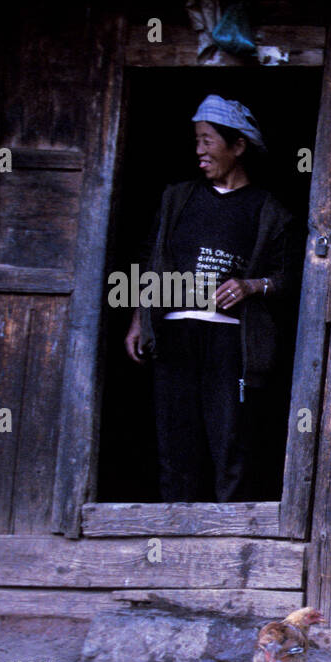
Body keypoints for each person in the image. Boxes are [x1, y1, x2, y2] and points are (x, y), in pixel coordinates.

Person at [124, 94, 295, 502]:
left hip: (228, 340)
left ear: (238, 147)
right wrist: (136, 320)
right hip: (174, 335)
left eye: (208, 141)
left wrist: (252, 286)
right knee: (174, 438)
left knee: (229, 438)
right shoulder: (177, 198)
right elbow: (149, 259)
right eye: (196, 141)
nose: (199, 151)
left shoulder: (267, 209)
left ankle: (227, 535)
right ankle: (173, 529)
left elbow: (288, 279)